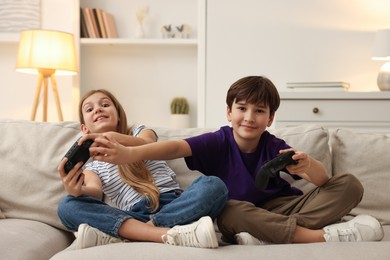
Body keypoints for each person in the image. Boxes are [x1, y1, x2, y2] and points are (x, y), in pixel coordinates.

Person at [86, 76, 384, 245]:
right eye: (242, 108)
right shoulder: (218, 140)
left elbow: (325, 183)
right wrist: (129, 153)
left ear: (270, 118)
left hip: (280, 208)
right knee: (225, 211)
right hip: (242, 212)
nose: (249, 118)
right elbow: (173, 147)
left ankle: (269, 233)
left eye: (259, 111)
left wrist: (308, 166)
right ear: (229, 112)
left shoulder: (273, 145)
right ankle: (318, 237)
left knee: (349, 184)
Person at [57, 89, 228, 250]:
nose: (98, 110)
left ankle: (137, 234)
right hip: (134, 216)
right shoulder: (93, 166)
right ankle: (164, 233)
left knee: (214, 185)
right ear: (84, 129)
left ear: (118, 115)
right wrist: (77, 190)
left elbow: (148, 144)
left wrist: (115, 139)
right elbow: (94, 191)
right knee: (67, 205)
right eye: (89, 109)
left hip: (174, 204)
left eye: (105, 104)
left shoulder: (139, 132)